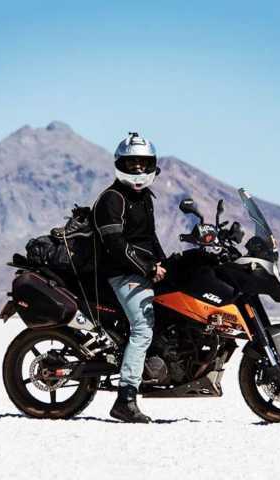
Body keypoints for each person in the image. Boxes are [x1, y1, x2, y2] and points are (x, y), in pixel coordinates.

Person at [93, 132, 167, 423]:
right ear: (120, 164)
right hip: (121, 274)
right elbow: (116, 245)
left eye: (142, 163)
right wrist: (148, 269)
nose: (137, 170)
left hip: (139, 271)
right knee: (142, 328)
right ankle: (125, 399)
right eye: (131, 163)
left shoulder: (145, 197)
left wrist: (164, 262)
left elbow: (149, 237)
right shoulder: (112, 199)